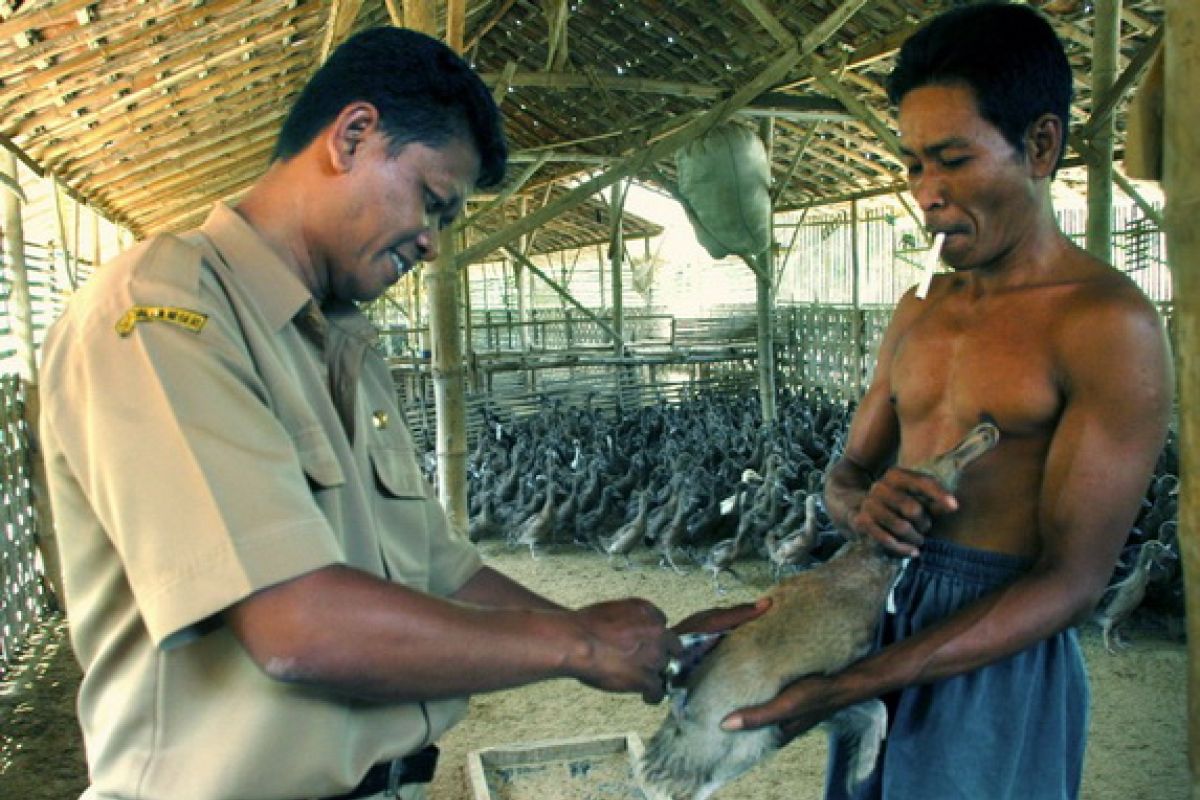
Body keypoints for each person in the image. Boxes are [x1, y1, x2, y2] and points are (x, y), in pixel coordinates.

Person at [38, 28, 760, 800]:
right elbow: (297, 625)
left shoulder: (341, 342)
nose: (433, 243)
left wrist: (623, 645)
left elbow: (443, 575)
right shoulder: (164, 314)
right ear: (353, 136)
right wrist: (576, 645)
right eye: (432, 202)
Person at [720, 5, 1174, 799]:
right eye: (912, 165)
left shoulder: (1105, 324)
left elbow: (1070, 584)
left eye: (952, 161)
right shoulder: (918, 308)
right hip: (880, 624)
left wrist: (857, 684)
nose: (925, 194)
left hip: (996, 662)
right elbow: (846, 474)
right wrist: (866, 511)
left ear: (1039, 145)